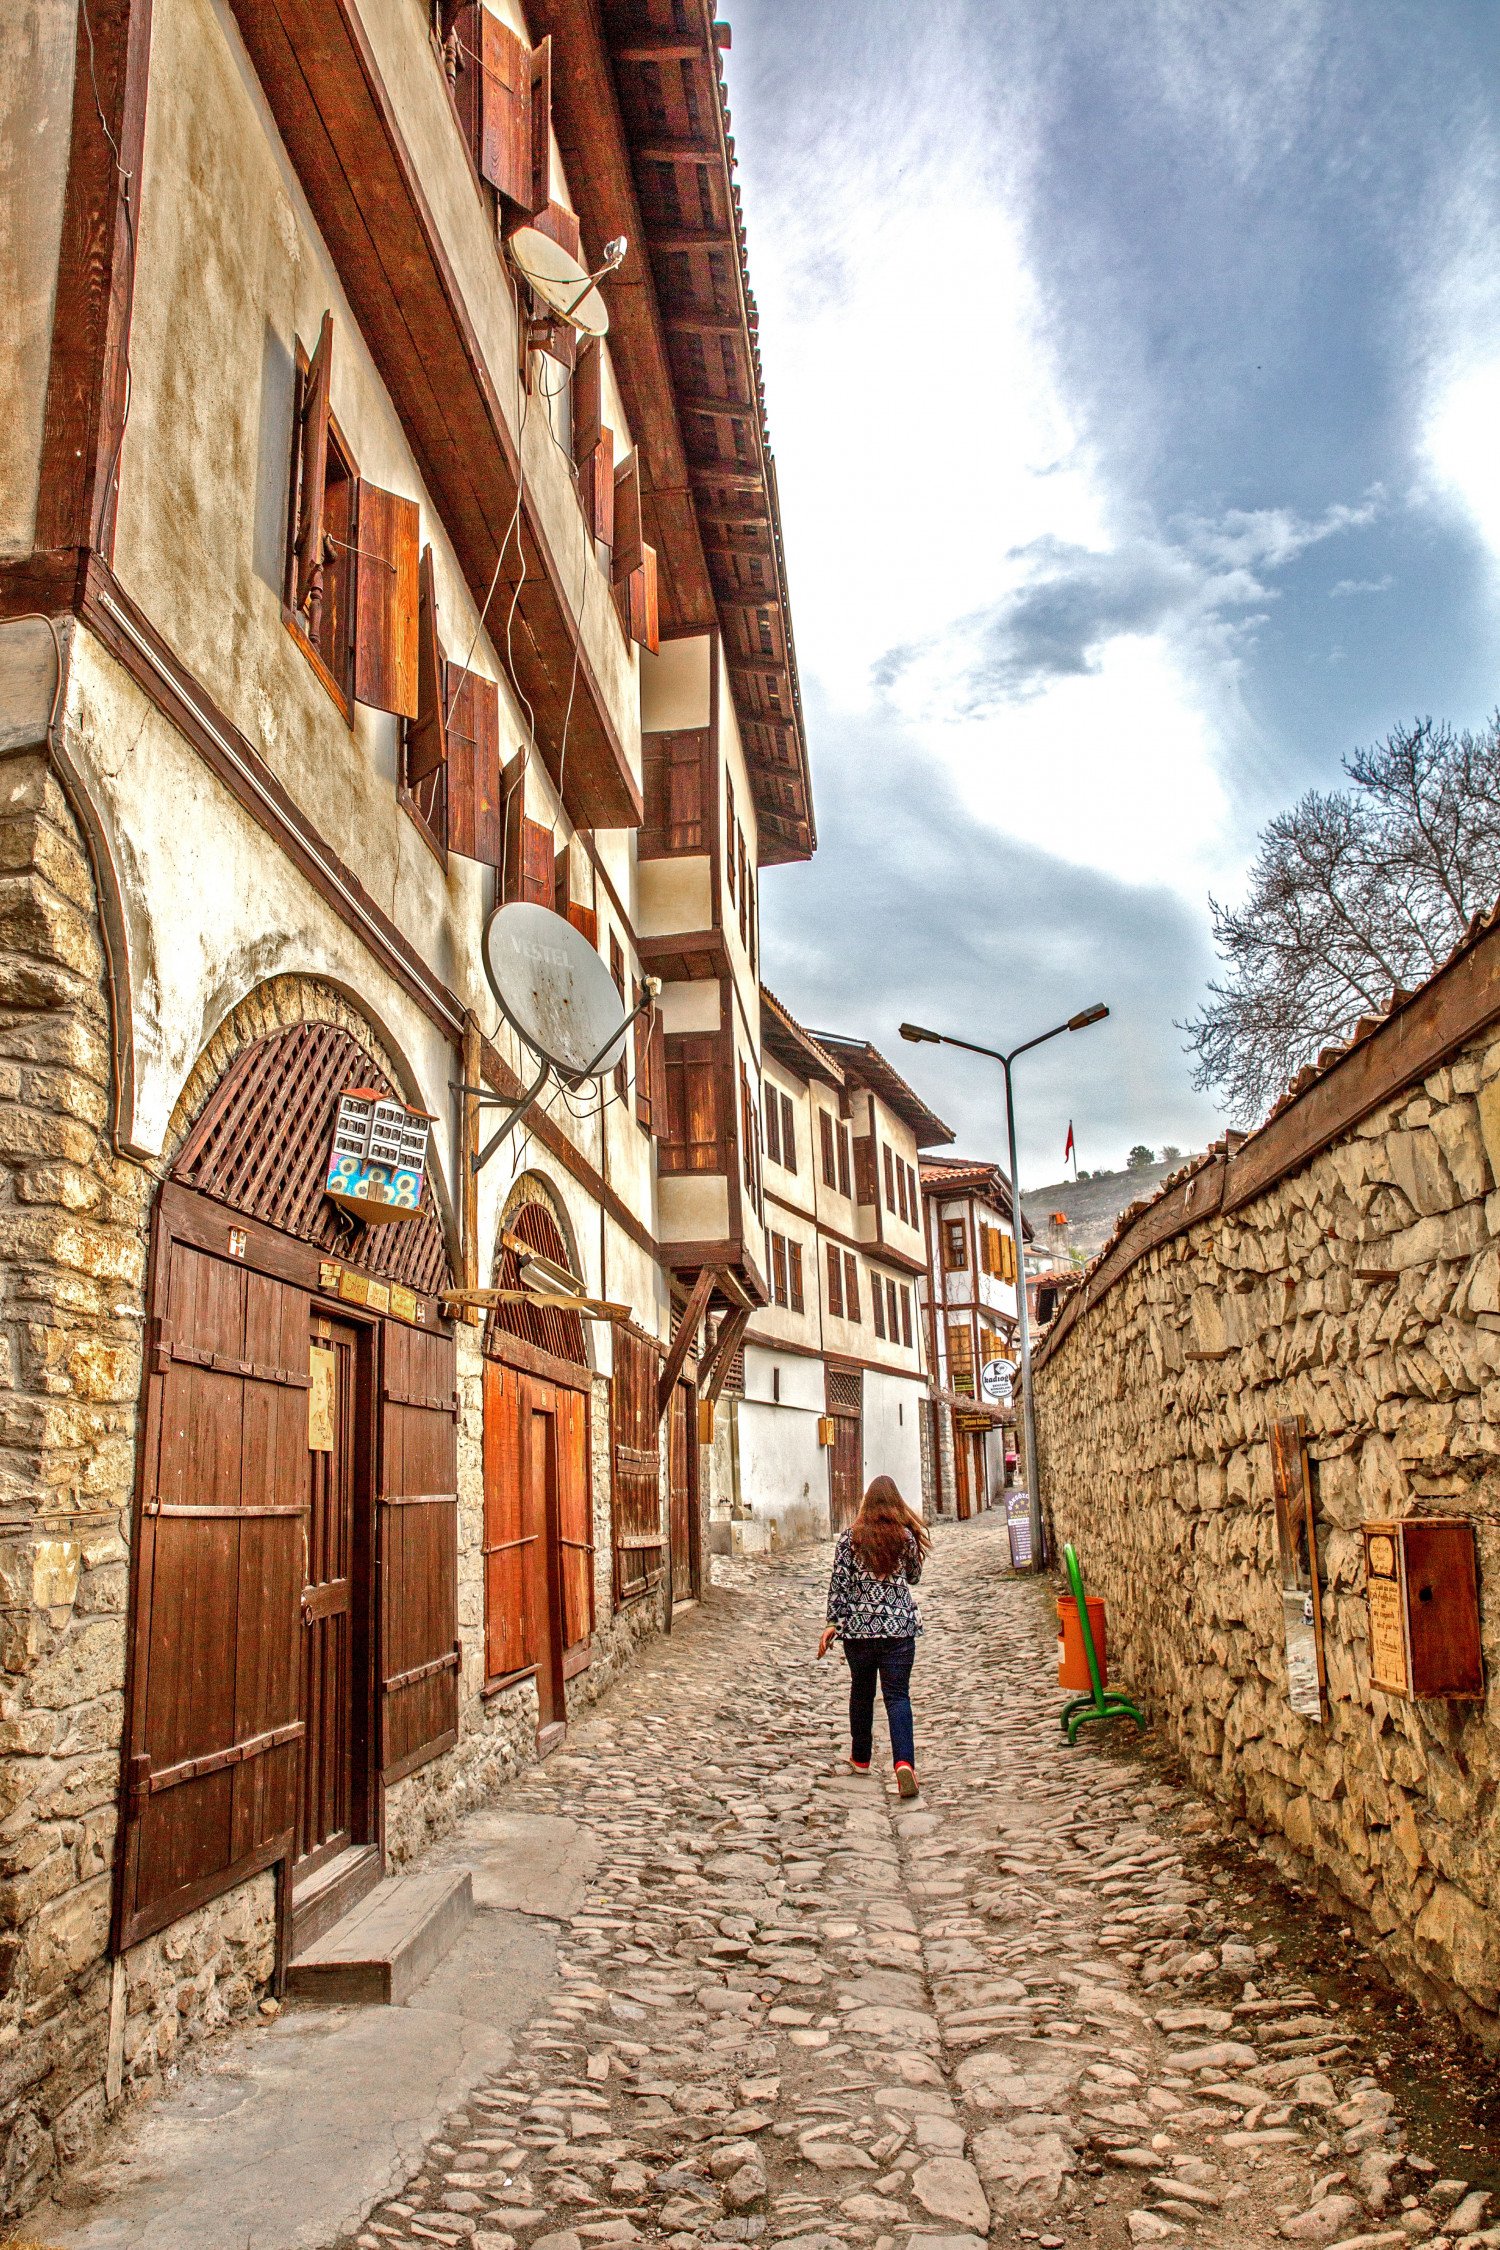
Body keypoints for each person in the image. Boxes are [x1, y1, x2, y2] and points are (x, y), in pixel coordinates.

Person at [817, 1475, 931, 1797]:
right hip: (898, 1630)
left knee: (861, 1692)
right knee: (898, 1696)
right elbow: (914, 1577)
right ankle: (904, 1764)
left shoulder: (849, 1539)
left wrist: (831, 1624)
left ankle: (861, 1758)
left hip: (859, 1632)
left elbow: (839, 1586)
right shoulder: (905, 1537)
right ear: (895, 1503)